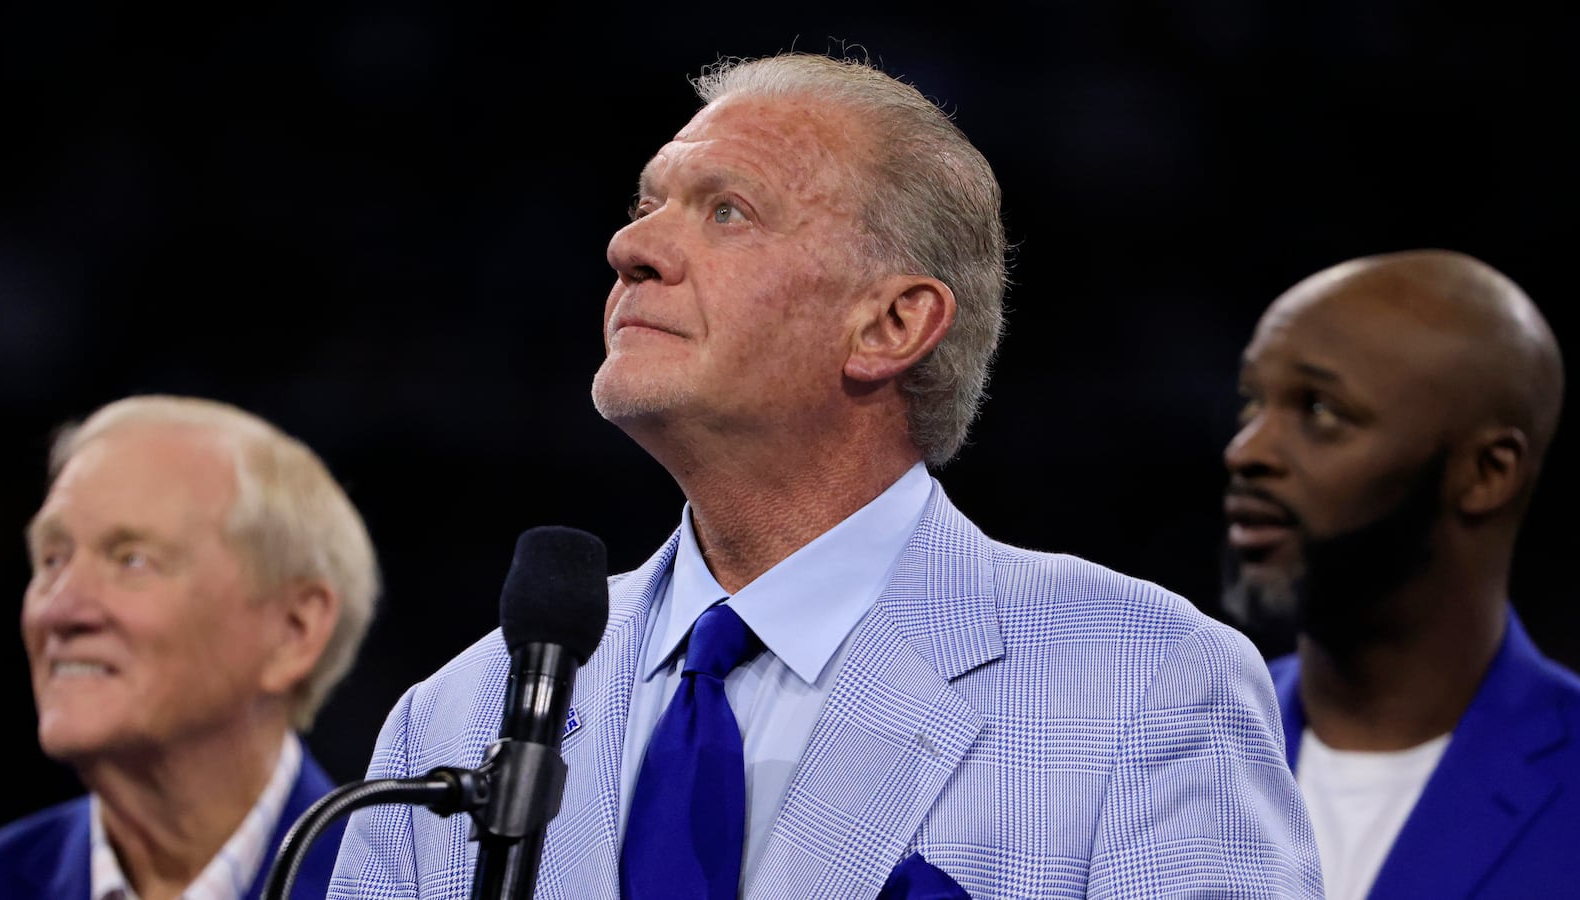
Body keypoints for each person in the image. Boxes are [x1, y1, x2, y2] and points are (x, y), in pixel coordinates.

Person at [332, 52, 1320, 899]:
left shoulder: (1141, 683)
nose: (629, 248)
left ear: (889, 326)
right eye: (645, 207)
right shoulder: (456, 712)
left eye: (725, 212)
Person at [1221, 249, 1580, 900]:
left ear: (1486, 472)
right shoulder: (1164, 742)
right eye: (1253, 403)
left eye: (1321, 410)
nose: (1247, 451)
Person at [0, 395, 381, 900]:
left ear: (293, 630)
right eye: (53, 559)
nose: (59, 611)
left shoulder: (394, 887)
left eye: (132, 560)